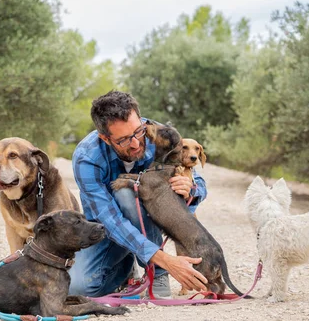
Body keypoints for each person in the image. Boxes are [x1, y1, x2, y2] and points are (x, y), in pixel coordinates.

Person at [69, 90, 208, 298]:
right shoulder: (86, 158)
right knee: (77, 289)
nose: (135, 143)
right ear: (105, 139)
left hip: (151, 221)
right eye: (124, 140)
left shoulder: (162, 136)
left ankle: (156, 272)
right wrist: (167, 259)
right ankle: (127, 265)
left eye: (138, 132)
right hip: (108, 231)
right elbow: (109, 220)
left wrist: (190, 189)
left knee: (127, 192)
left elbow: (199, 183)